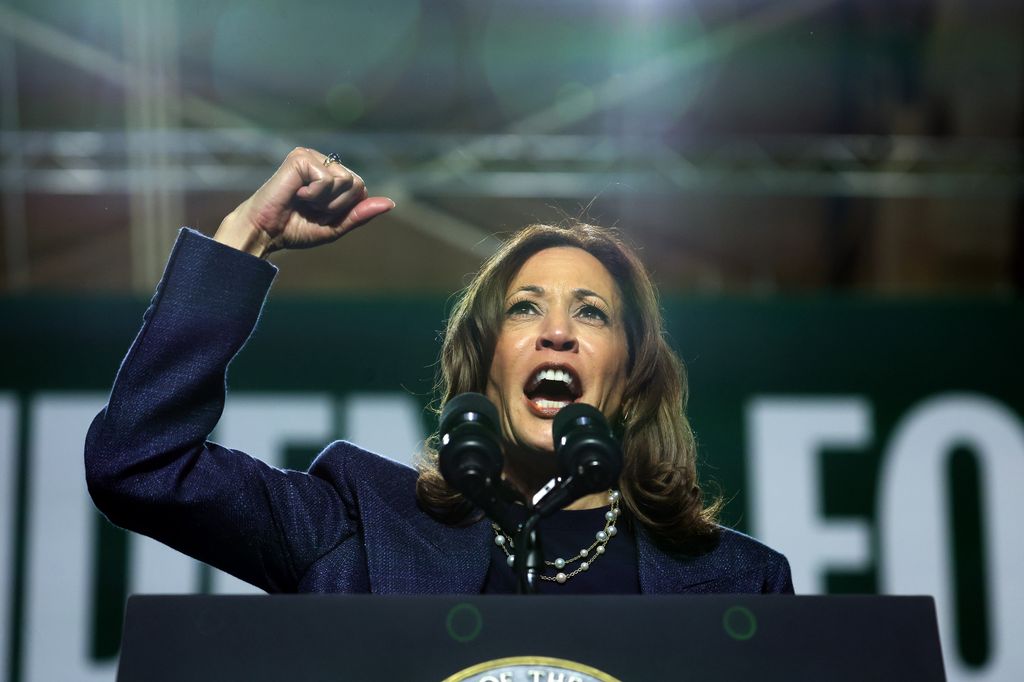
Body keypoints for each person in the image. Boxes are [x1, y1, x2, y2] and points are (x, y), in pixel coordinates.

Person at [85, 147, 793, 595]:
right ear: (483, 366)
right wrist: (250, 237)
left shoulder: (736, 583)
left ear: (632, 377)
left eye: (591, 314)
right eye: (524, 310)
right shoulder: (360, 529)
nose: (555, 333)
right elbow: (142, 464)